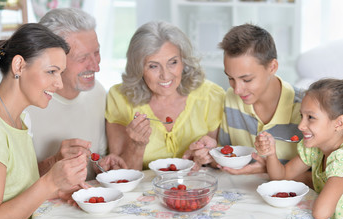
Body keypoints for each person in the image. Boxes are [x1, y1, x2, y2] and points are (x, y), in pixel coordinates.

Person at [0, 23, 88, 219]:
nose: (59, 83)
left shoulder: (18, 118)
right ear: (19, 66)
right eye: (51, 72)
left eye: (60, 73)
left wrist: (56, 187)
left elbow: (12, 188)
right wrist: (50, 183)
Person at [186, 24, 304, 175]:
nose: (237, 90)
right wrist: (209, 154)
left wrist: (269, 170)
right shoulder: (231, 99)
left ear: (272, 67)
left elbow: (321, 177)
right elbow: (224, 159)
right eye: (230, 78)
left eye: (247, 80)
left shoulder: (305, 108)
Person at [105, 21, 225, 170]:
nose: (165, 75)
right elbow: (121, 175)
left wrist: (205, 157)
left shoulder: (211, 96)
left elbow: (216, 162)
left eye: (173, 62)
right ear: (139, 68)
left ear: (184, 61)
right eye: (153, 66)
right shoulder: (119, 98)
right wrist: (136, 146)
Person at [26, 8, 126, 180]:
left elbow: (97, 158)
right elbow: (9, 185)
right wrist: (54, 162)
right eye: (82, 58)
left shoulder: (98, 92)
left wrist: (102, 165)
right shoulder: (23, 104)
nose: (96, 67)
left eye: (97, 53)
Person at [255, 78, 343, 219]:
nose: (301, 125)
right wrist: (271, 154)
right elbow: (281, 177)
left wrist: (307, 179)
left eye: (311, 117)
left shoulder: (341, 159)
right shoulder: (315, 149)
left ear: (339, 123)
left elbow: (321, 213)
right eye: (302, 116)